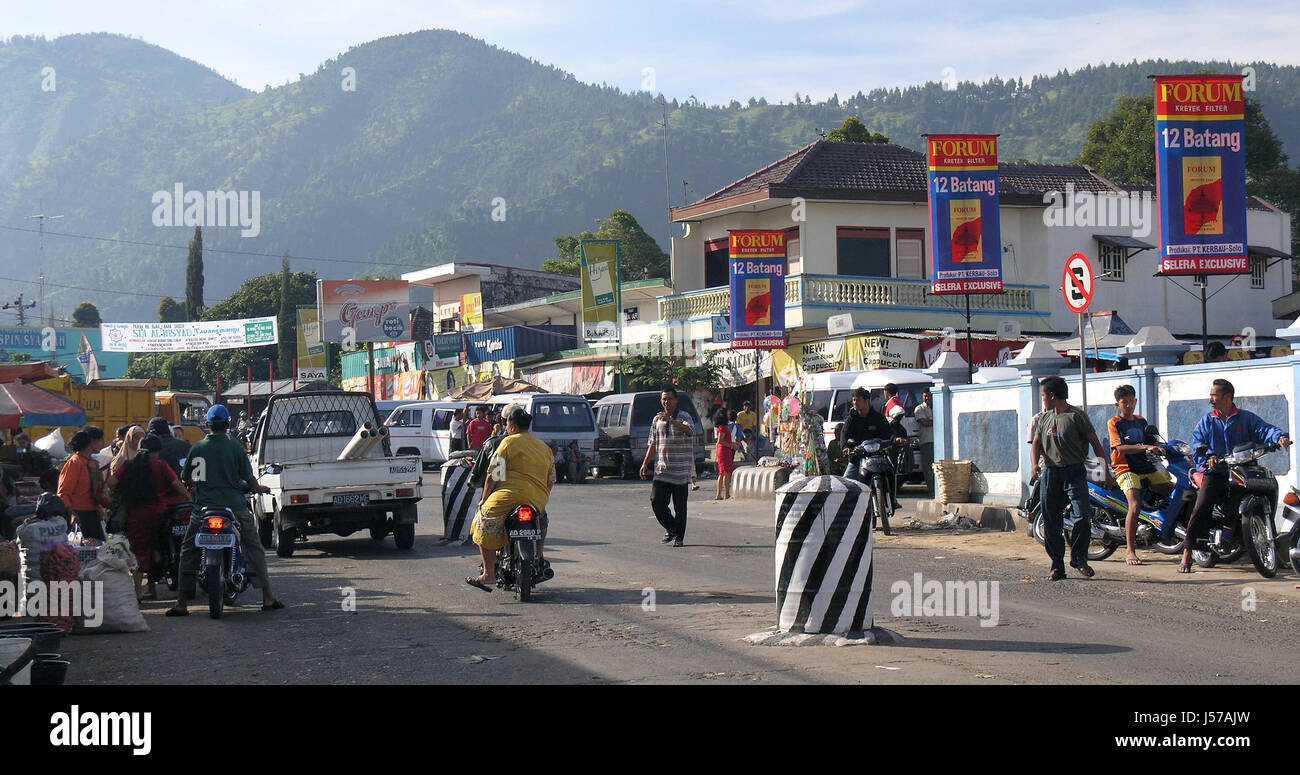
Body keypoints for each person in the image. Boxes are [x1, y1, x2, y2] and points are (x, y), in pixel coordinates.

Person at [167, 404, 281, 616]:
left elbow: (185, 477)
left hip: (202, 509)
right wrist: (259, 488)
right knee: (253, 547)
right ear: (228, 424)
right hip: (234, 507)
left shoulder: (197, 448)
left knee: (188, 550)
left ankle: (181, 602)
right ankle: (267, 597)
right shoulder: (235, 447)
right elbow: (249, 479)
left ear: (208, 425)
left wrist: (195, 484)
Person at [1179, 378, 1290, 573]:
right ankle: (1187, 552)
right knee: (1202, 507)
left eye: (1215, 396)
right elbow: (1197, 443)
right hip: (1217, 471)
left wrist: (1279, 437)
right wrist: (1209, 456)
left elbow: (1264, 430)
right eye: (1211, 396)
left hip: (1244, 469)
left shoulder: (1246, 418)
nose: (1211, 399)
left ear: (1228, 397)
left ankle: (1272, 548)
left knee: (1267, 494)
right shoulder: (1208, 420)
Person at [1031, 376, 1115, 581]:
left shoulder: (1077, 416)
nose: (1042, 399)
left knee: (1082, 517)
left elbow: (1095, 444)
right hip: (1051, 474)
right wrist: (1035, 465)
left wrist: (1106, 472)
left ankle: (1079, 559)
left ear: (1052, 395)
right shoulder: (1045, 418)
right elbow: (1036, 444)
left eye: (1043, 395)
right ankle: (1057, 566)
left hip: (1075, 472)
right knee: (1051, 522)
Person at [465, 406, 556, 591]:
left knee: (484, 519)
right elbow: (551, 480)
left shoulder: (507, 443)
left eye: (506, 424)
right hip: (537, 499)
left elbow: (494, 476)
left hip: (507, 496)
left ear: (511, 426)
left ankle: (489, 573)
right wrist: (541, 497)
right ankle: (539, 556)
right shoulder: (544, 447)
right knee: (542, 520)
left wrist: (484, 499)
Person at [113, 435, 191, 601]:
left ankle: (138, 592)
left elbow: (111, 482)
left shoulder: (128, 465)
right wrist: (190, 498)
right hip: (160, 514)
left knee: (139, 552)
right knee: (158, 548)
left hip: (136, 515)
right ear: (157, 451)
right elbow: (177, 484)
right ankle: (152, 587)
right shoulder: (160, 465)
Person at [1108, 384, 1175, 566]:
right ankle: (1130, 551)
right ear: (1118, 404)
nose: (1129, 405)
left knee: (1173, 490)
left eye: (1131, 401)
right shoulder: (1115, 423)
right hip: (1125, 468)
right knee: (1135, 505)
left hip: (1147, 466)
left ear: (1136, 401)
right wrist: (1145, 447)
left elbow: (1152, 440)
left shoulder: (1141, 421)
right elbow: (1120, 447)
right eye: (1125, 402)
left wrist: (1164, 447)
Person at [641, 388, 696, 547]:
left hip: (680, 470)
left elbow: (690, 431)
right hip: (662, 470)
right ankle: (672, 528)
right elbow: (652, 443)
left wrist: (672, 421)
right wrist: (645, 464)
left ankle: (679, 536)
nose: (667, 402)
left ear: (676, 400)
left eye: (670, 399)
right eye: (664, 399)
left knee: (680, 506)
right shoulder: (657, 419)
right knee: (656, 501)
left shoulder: (684, 416)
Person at [837, 387, 907, 508]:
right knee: (845, 485)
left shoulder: (878, 417)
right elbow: (844, 435)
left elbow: (888, 433)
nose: (855, 403)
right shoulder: (851, 419)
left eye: (857, 400)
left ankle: (892, 499)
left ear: (867, 401)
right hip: (858, 457)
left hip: (878, 455)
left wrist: (896, 439)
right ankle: (847, 510)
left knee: (891, 472)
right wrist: (845, 447)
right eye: (853, 400)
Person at [58, 430, 110, 541]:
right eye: (100, 440)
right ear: (91, 443)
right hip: (79, 515)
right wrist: (72, 513)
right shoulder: (74, 463)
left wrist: (102, 507)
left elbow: (97, 492)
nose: (102, 443)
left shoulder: (93, 463)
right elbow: (63, 493)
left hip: (92, 514)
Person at [913, 389, 935, 497]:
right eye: (925, 396)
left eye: (929, 396)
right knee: (928, 469)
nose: (927, 398)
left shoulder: (937, 406)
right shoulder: (919, 409)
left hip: (938, 442)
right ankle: (932, 491)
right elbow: (924, 422)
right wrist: (938, 421)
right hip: (926, 442)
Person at [713, 409, 739, 500]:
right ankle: (726, 494)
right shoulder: (723, 428)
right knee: (726, 473)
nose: (729, 416)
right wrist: (731, 445)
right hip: (724, 451)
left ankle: (719, 494)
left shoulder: (723, 427)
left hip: (724, 450)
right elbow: (720, 441)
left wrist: (733, 444)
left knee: (722, 473)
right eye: (727, 414)